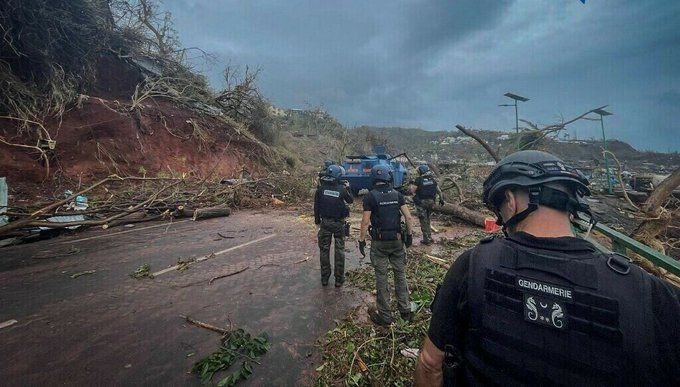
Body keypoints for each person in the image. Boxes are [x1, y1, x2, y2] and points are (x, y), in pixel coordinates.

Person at [414, 150, 680, 386]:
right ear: (572, 204)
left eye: (499, 209)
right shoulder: (644, 290)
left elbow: (429, 364)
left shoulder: (472, 265)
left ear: (510, 200)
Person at [359, 165, 415, 326]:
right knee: (400, 275)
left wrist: (361, 240)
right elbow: (408, 218)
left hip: (379, 243)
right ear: (388, 178)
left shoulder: (370, 197)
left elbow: (364, 222)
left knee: (381, 278)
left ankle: (385, 315)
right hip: (397, 242)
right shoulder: (397, 195)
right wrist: (409, 236)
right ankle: (405, 311)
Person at [314, 164, 353, 287]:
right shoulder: (341, 189)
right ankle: (338, 279)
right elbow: (351, 200)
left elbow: (316, 207)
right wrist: (348, 188)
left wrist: (317, 222)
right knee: (339, 251)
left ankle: (324, 278)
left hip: (325, 223)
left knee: (324, 250)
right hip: (338, 224)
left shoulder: (320, 189)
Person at [409, 164, 444, 245]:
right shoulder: (432, 179)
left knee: (423, 221)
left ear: (421, 171)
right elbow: (439, 191)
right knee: (428, 219)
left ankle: (426, 240)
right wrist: (441, 199)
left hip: (421, 203)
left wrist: (411, 184)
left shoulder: (418, 180)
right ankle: (429, 237)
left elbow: (411, 191)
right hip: (431, 202)